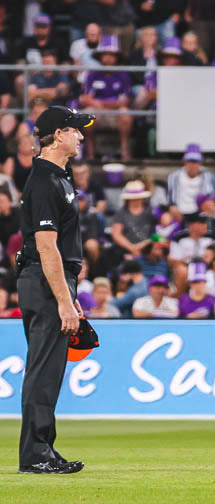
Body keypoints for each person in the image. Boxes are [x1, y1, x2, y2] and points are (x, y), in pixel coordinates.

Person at [16, 104, 94, 474]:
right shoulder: (46, 182)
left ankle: (43, 448)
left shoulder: (58, 178)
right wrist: (64, 300)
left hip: (52, 282)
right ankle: (35, 455)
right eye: (75, 129)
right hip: (45, 282)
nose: (81, 135)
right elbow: (47, 248)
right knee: (43, 372)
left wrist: (70, 297)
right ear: (58, 135)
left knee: (48, 372)